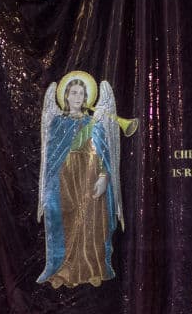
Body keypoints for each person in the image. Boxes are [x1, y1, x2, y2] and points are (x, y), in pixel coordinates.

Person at [37, 71, 130, 288]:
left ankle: (94, 268)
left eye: (81, 93)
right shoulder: (57, 123)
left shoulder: (94, 122)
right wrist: (50, 189)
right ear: (66, 96)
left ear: (86, 97)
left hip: (90, 179)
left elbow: (104, 154)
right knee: (68, 221)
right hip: (66, 181)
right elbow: (51, 158)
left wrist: (104, 177)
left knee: (91, 221)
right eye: (74, 93)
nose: (78, 97)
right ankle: (63, 268)